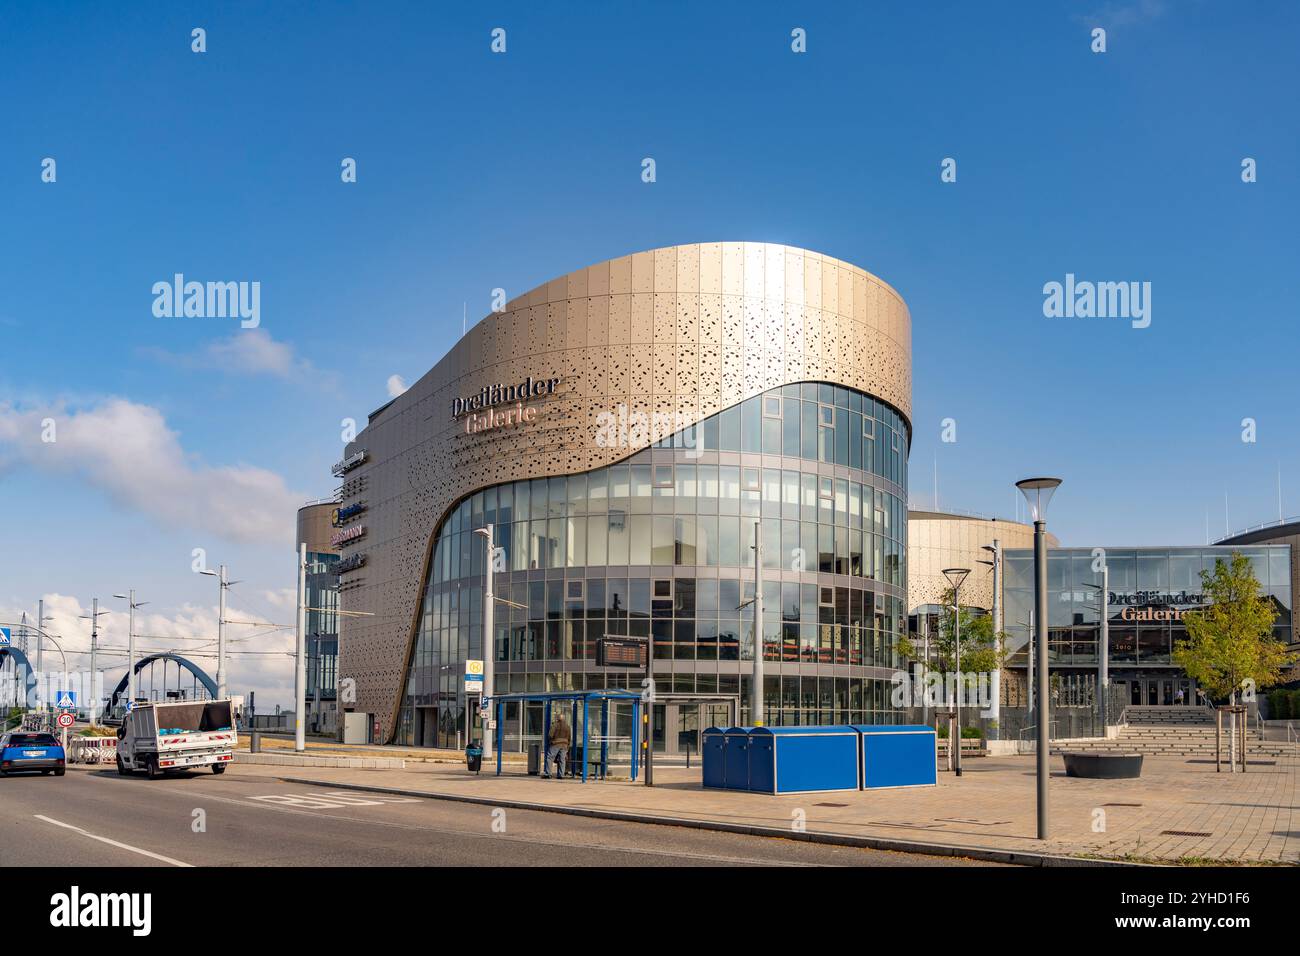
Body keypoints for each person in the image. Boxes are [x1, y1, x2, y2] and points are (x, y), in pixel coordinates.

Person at [543, 713, 571, 779]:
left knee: (550, 758)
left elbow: (550, 735)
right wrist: (567, 746)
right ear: (564, 719)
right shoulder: (567, 726)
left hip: (555, 744)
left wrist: (551, 741)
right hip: (564, 745)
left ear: (558, 718)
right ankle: (561, 775)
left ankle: (548, 774)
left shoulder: (555, 725)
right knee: (562, 760)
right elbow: (569, 737)